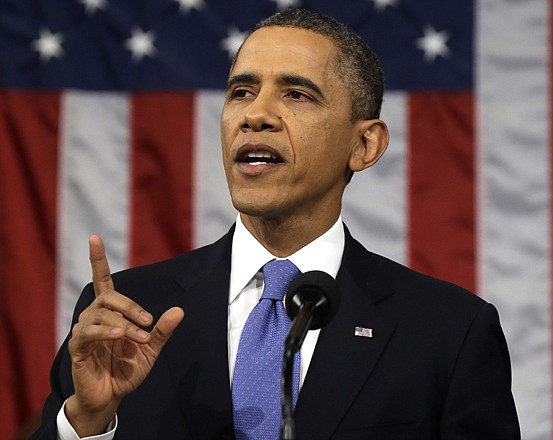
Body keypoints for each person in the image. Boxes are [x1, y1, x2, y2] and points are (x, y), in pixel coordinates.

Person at [31, 8, 520, 440]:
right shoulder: (127, 314)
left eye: (297, 95)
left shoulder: (448, 332)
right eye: (241, 92)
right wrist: (87, 423)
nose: (256, 115)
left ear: (364, 145)